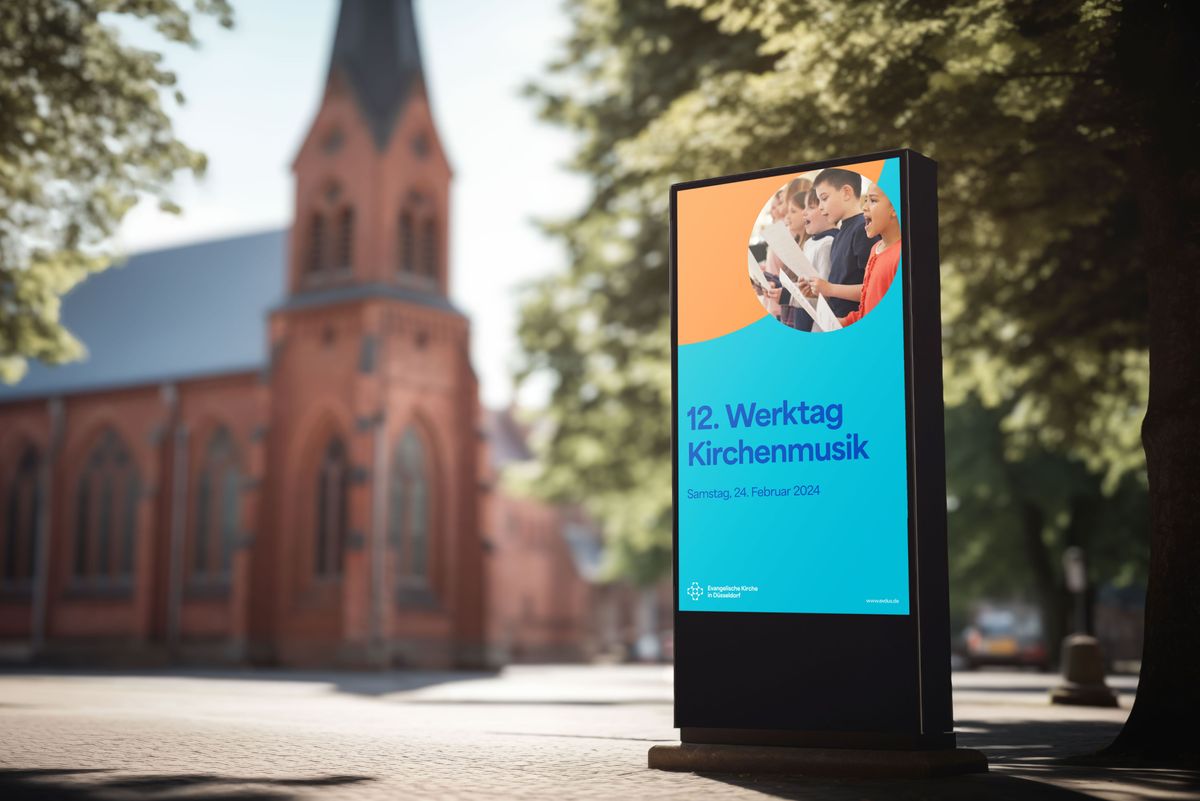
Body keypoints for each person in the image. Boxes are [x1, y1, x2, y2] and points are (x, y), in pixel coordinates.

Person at [799, 168, 878, 318]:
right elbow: (839, 291)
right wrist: (819, 292)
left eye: (824, 198)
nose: (821, 206)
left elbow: (873, 289)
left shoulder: (863, 229)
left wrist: (829, 289)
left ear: (846, 192)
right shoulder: (840, 235)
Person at [838, 182, 901, 327]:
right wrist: (844, 322)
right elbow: (867, 309)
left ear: (894, 208)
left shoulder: (899, 255)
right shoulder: (875, 248)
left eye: (873, 200)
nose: (864, 207)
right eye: (866, 200)